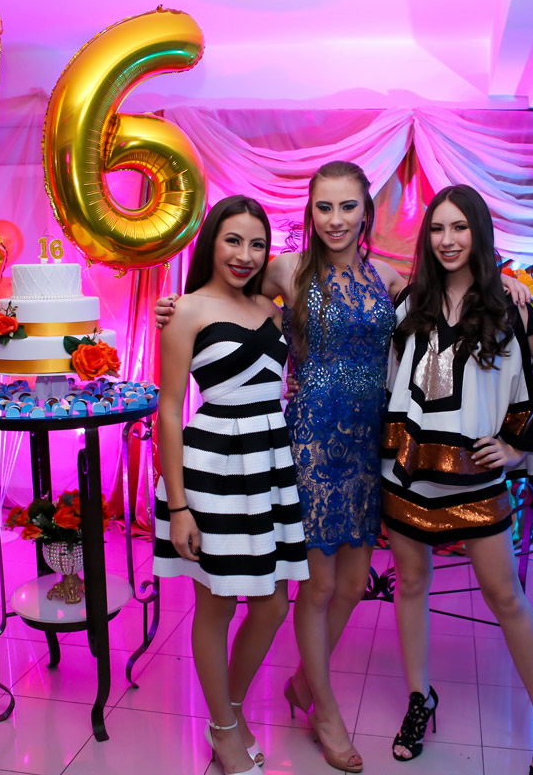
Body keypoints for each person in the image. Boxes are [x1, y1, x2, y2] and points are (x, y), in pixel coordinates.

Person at [156, 162, 530, 773]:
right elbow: (230, 290)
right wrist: (177, 306)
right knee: (320, 587)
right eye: (323, 207)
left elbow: (452, 282)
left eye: (347, 207)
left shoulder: (389, 278)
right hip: (306, 445)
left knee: (355, 584)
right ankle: (323, 712)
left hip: (367, 446)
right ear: (310, 213)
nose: (335, 220)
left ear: (366, 212)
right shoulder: (288, 270)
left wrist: (507, 280)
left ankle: (303, 682)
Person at [380, 185, 533, 775]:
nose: (447, 239)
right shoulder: (409, 304)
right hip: (405, 476)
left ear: (478, 232)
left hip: (475, 480)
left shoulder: (511, 307)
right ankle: (419, 699)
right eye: (437, 228)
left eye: (460, 227)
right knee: (411, 585)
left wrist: (516, 446)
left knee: (506, 598)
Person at [153, 195, 309, 775]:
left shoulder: (274, 308)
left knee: (272, 604)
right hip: (214, 466)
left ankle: (231, 710)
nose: (245, 254)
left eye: (257, 243)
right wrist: (179, 507)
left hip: (268, 465)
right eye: (232, 240)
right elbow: (170, 412)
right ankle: (222, 729)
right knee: (216, 604)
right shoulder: (185, 311)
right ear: (211, 243)